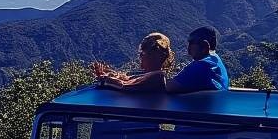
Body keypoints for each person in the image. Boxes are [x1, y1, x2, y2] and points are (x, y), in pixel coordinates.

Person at [95, 26, 229, 93]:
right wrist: (123, 77)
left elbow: (162, 85)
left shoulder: (202, 67)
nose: (187, 50)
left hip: (197, 135)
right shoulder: (215, 62)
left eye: (191, 44)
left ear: (205, 46)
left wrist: (108, 81)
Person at [90, 32, 174, 86]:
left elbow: (125, 86)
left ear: (158, 56)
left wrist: (104, 79)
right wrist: (110, 74)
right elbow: (128, 79)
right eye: (140, 53)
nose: (140, 57)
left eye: (143, 53)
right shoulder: (151, 75)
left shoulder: (156, 78)